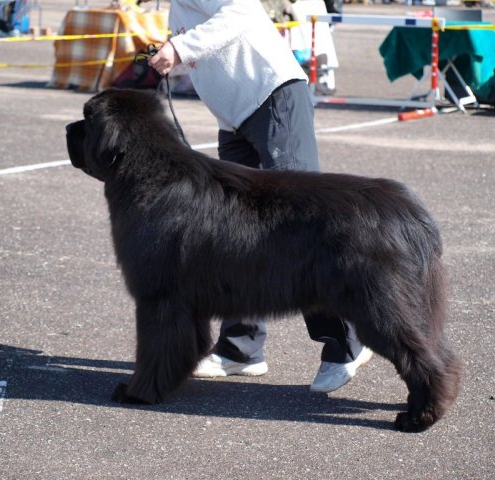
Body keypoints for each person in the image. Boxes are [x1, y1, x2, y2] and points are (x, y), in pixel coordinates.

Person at [148, 0, 372, 393]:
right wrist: (174, 52)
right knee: (237, 235)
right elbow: (213, 49)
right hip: (234, 121)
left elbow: (243, 11)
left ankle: (347, 342)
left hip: (273, 98)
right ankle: (241, 349)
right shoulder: (176, 7)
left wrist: (180, 50)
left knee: (302, 227)